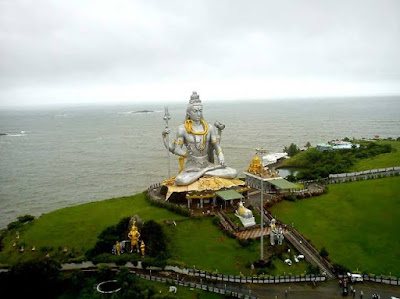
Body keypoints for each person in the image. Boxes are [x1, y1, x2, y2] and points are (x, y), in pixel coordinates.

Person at [162, 91, 237, 185]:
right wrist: (186, 153)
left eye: (200, 111)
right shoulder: (182, 129)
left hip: (207, 164)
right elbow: (177, 149)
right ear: (188, 113)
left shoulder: (209, 128)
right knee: (180, 181)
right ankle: (204, 173)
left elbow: (217, 146)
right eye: (195, 111)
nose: (198, 114)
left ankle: (203, 172)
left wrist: (221, 155)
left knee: (233, 173)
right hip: (192, 167)